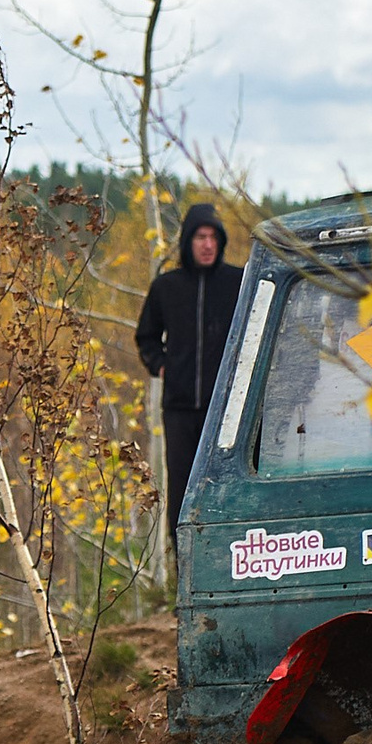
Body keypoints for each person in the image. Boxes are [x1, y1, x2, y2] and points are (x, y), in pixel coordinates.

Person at [136, 202, 244, 522]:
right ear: (188, 241)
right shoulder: (166, 288)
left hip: (227, 409)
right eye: (200, 237)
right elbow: (146, 337)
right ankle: (181, 564)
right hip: (180, 410)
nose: (207, 244)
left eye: (213, 236)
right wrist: (161, 366)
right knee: (181, 492)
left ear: (221, 241)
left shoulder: (239, 283)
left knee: (227, 487)